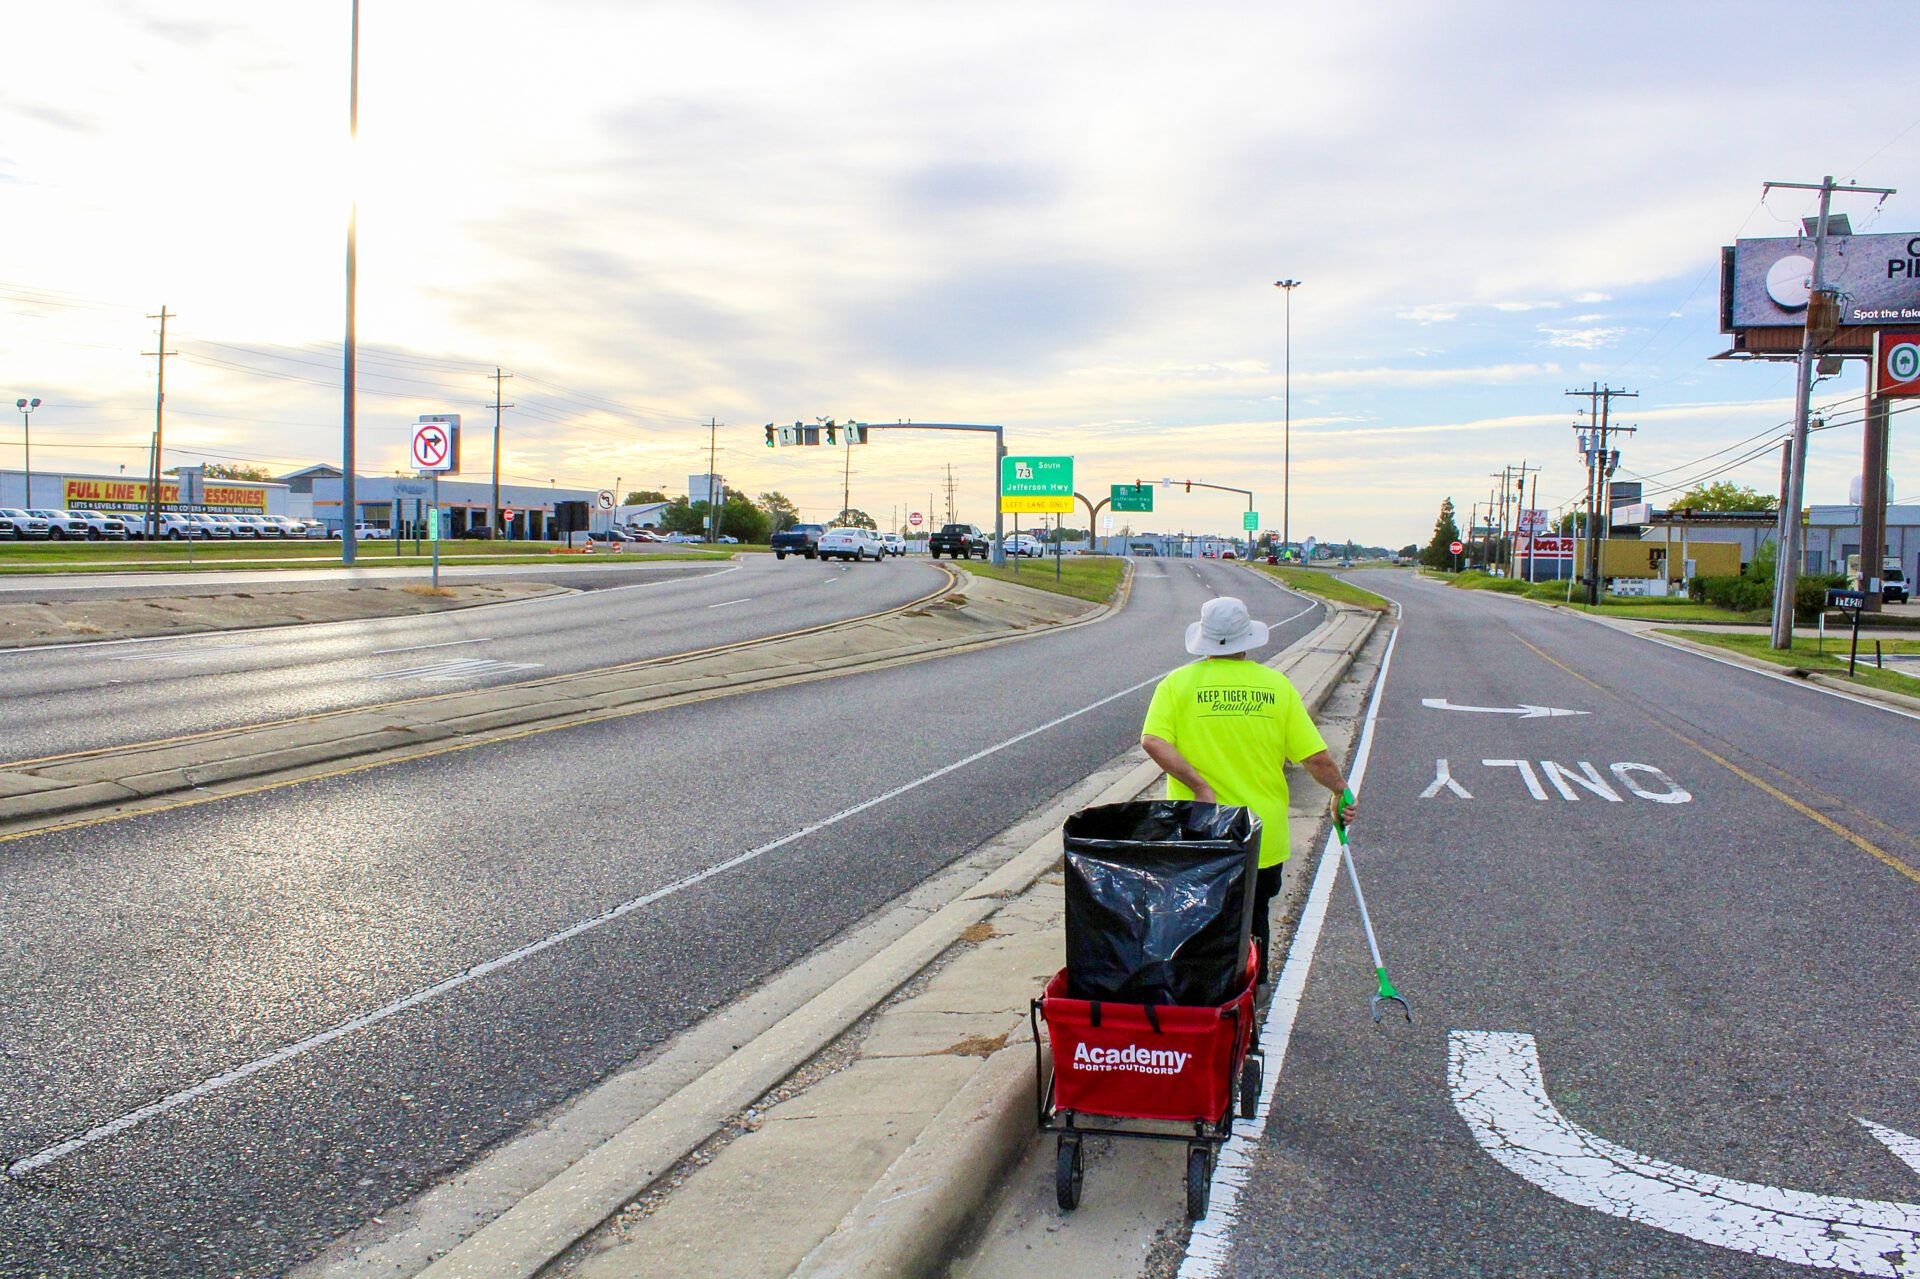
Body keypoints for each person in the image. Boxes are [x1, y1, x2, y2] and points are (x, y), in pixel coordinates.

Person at [1140, 595, 1354, 986]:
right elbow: (1315, 758)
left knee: (1197, 920)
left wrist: (1200, 786)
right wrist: (1341, 791)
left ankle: (1200, 999)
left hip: (1199, 831)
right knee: (1254, 919)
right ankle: (1253, 996)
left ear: (1203, 640)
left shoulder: (1178, 685)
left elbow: (1153, 741)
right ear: (1246, 640)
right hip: (1261, 836)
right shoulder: (1276, 687)